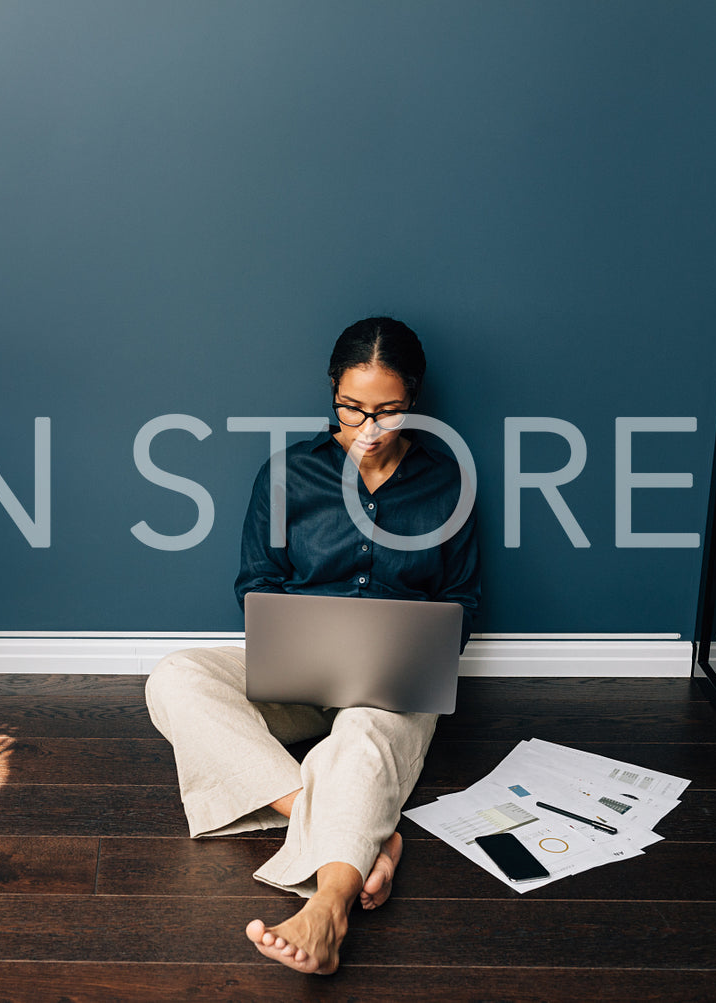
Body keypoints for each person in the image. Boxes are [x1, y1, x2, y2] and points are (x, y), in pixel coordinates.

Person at [144, 316, 481, 975]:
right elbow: (256, 583)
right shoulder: (287, 473)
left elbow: (463, 601)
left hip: (393, 681)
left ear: (412, 399)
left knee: (360, 738)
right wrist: (296, 634)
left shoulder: (447, 484)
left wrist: (413, 647)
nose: (368, 428)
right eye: (352, 408)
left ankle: (327, 907)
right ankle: (358, 835)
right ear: (332, 391)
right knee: (175, 676)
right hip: (297, 673)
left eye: (387, 411)